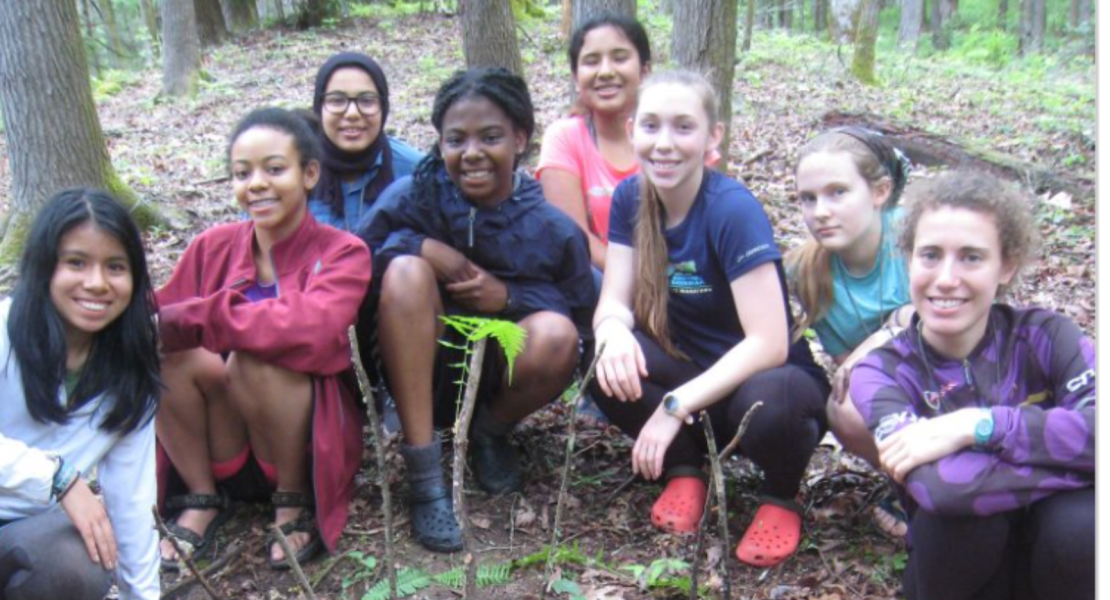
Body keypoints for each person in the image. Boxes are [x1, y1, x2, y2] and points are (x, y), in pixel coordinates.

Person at [590, 70, 830, 569]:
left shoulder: (731, 210)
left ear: (712, 136)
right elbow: (612, 299)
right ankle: (685, 468)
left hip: (760, 382)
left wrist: (675, 405)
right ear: (632, 130)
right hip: (692, 371)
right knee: (597, 358)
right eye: (651, 126)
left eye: (683, 127)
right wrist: (611, 330)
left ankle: (780, 496)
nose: (665, 144)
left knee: (776, 403)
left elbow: (769, 343)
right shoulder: (631, 199)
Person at [360, 68, 593, 554]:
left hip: (497, 380)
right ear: (439, 143)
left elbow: (578, 312)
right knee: (406, 270)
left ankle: (488, 435)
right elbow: (356, 261)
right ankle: (424, 474)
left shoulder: (550, 226)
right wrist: (423, 246)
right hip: (419, 373)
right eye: (455, 139)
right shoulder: (412, 196)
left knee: (556, 333)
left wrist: (508, 297)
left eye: (490, 137)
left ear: (520, 139)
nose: (471, 154)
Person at [850, 172, 1094, 600]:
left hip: (1058, 563)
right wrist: (1078, 460)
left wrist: (982, 426)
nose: (946, 278)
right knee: (961, 526)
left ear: (1008, 265)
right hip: (957, 572)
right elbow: (944, 489)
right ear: (908, 259)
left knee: (1082, 527)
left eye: (971, 257)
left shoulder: (1046, 337)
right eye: (929, 255)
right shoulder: (881, 372)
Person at [155, 108, 371, 571]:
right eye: (242, 172)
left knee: (257, 357)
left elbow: (313, 329)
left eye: (275, 169)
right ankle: (202, 496)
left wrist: (198, 319)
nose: (256, 184)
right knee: (167, 353)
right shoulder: (211, 247)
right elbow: (157, 318)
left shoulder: (343, 252)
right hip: (224, 442)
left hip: (297, 442)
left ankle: (291, 502)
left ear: (309, 174)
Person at [0, 188, 161, 599]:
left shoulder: (130, 367)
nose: (96, 283)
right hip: (39, 496)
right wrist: (58, 478)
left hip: (24, 534)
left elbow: (131, 501)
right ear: (45, 267)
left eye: (115, 267)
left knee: (77, 559)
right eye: (76, 263)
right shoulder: (5, 330)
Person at [787, 127, 913, 537]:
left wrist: (880, 339)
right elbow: (849, 369)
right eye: (809, 198)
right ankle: (915, 487)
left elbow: (959, 316)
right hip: (899, 382)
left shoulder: (915, 237)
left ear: (879, 192)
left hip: (959, 374)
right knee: (846, 402)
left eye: (838, 192)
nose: (820, 211)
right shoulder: (808, 273)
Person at [308, 52, 424, 232]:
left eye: (367, 101)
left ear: (383, 107)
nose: (352, 113)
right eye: (337, 100)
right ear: (319, 106)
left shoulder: (417, 171)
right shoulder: (294, 170)